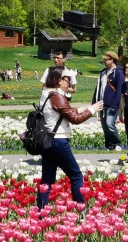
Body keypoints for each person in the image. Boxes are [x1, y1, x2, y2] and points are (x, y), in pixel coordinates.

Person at [36, 66, 103, 209]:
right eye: (68, 79)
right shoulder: (57, 96)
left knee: (46, 180)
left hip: (47, 141)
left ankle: (41, 211)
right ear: (60, 81)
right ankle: (81, 209)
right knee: (76, 175)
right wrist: (92, 110)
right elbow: (74, 119)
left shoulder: (46, 94)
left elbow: (62, 113)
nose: (71, 83)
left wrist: (83, 108)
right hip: (58, 141)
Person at [93, 51, 126, 151]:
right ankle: (109, 145)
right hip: (102, 103)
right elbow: (98, 88)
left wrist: (114, 105)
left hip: (112, 104)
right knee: (104, 126)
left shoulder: (118, 73)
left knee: (109, 124)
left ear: (112, 60)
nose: (104, 61)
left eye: (106, 60)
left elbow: (119, 90)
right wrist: (94, 101)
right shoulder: (103, 72)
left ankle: (117, 143)